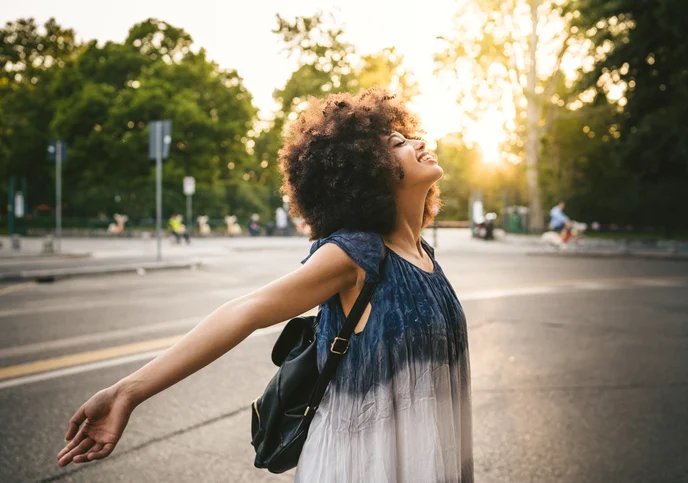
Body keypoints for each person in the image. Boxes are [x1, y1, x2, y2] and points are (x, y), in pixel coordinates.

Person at [56, 89, 473, 482]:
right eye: (398, 141)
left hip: (428, 458)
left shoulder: (424, 255)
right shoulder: (355, 253)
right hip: (365, 463)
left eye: (410, 135)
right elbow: (247, 310)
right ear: (368, 171)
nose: (417, 142)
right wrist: (127, 391)